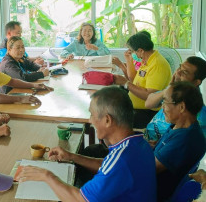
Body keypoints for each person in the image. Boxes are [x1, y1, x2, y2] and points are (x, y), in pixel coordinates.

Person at [18, 86, 157, 202]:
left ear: (107, 120)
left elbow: (80, 199)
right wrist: (72, 156)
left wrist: (46, 176)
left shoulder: (122, 160)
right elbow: (107, 166)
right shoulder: (138, 144)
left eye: (92, 115)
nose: (90, 121)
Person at [152, 81, 206, 201]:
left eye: (165, 102)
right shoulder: (180, 128)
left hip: (151, 192)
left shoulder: (186, 139)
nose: (162, 107)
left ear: (181, 107)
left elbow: (149, 168)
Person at [114, 32, 171, 128]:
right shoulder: (147, 60)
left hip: (147, 113)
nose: (132, 54)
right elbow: (135, 80)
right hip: (136, 106)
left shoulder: (157, 65)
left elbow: (150, 96)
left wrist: (126, 83)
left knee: (112, 120)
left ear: (140, 50)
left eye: (132, 51)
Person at [145, 56, 206, 140]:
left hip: (161, 147)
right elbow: (148, 104)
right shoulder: (173, 91)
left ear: (196, 82)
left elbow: (188, 145)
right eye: (179, 67)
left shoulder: (198, 114)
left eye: (184, 72)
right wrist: (168, 89)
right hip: (147, 136)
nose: (177, 73)